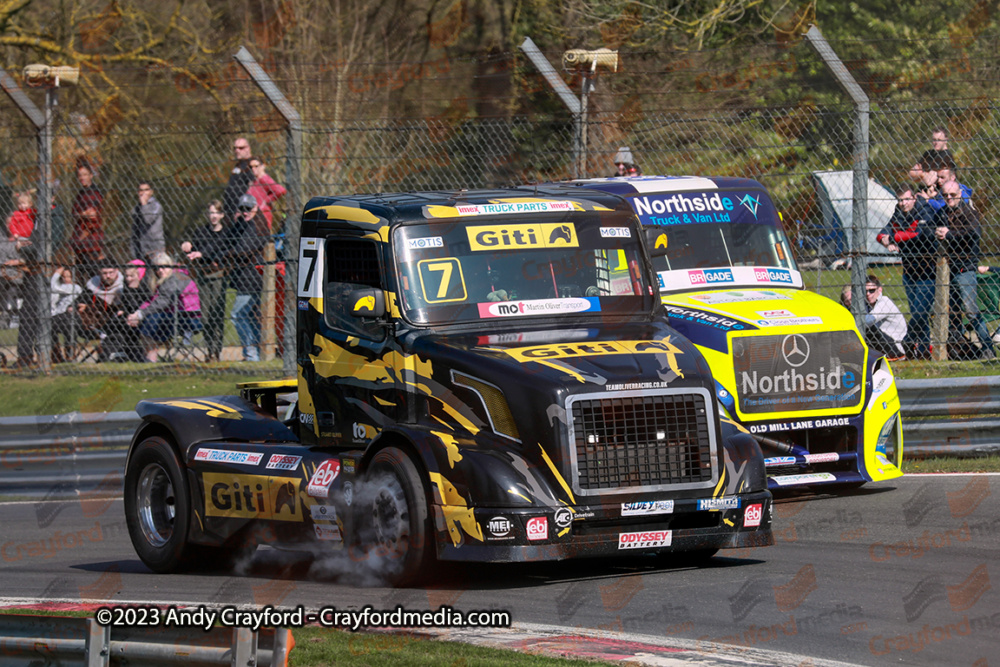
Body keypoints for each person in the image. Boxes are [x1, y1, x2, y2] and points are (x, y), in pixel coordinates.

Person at [877, 185, 937, 359]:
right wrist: (887, 242)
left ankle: (908, 341)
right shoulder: (899, 211)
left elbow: (920, 234)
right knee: (920, 316)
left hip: (928, 272)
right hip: (909, 272)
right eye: (900, 200)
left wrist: (895, 237)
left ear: (914, 198)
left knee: (919, 313)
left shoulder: (924, 210)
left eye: (906, 199)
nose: (903, 204)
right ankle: (924, 352)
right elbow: (883, 233)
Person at [935, 181, 994, 360]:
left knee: (970, 310)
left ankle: (987, 347)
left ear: (960, 193)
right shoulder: (942, 213)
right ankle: (958, 349)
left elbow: (973, 233)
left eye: (953, 194)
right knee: (951, 312)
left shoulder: (969, 213)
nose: (949, 198)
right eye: (946, 195)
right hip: (947, 270)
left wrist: (949, 234)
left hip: (965, 268)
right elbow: (931, 229)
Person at [126, 252, 201, 362]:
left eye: (164, 267)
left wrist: (141, 314)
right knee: (148, 319)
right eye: (157, 268)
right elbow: (153, 300)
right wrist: (137, 313)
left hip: (188, 317)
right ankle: (142, 356)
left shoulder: (178, 278)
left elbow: (164, 301)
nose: (160, 271)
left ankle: (150, 358)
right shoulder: (164, 280)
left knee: (151, 319)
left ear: (170, 265)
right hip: (171, 315)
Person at [181, 199, 229, 362]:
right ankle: (210, 350)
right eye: (211, 212)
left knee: (217, 314)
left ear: (222, 215)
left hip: (218, 276)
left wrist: (203, 254)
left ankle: (217, 350)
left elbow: (219, 247)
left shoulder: (226, 233)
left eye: (216, 212)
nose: (213, 216)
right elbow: (194, 248)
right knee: (206, 316)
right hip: (203, 276)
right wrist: (188, 245)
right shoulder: (201, 231)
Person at [224, 193, 266, 361]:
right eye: (242, 209)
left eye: (248, 208)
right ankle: (254, 352)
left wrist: (227, 254)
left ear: (255, 207)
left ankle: (251, 354)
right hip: (243, 277)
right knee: (249, 316)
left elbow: (244, 249)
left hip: (252, 278)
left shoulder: (259, 225)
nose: (245, 212)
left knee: (238, 315)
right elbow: (227, 240)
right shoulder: (242, 223)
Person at [843, 277, 907, 359]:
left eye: (872, 290)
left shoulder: (884, 301)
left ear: (880, 290)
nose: (868, 294)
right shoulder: (869, 305)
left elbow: (868, 321)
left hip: (896, 347)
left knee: (868, 327)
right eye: (865, 291)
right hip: (884, 343)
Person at [106, 260, 150, 362]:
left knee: (128, 326)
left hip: (142, 317)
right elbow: (126, 305)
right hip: (129, 317)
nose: (128, 279)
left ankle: (134, 354)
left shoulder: (145, 288)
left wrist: (135, 315)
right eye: (126, 276)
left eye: (132, 276)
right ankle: (117, 352)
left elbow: (143, 306)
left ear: (139, 275)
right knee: (114, 323)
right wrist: (124, 311)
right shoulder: (127, 287)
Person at [69, 161, 105, 276]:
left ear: (91, 175)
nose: (82, 178)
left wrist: (82, 214)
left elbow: (93, 217)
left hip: (90, 240)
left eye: (85, 174)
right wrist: (83, 214)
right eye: (80, 175)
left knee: (93, 274)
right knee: (79, 273)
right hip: (80, 240)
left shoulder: (95, 193)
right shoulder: (81, 194)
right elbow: (74, 212)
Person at [49, 266, 84, 363]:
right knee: (49, 327)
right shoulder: (62, 287)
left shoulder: (75, 287)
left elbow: (53, 287)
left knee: (69, 327)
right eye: (63, 277)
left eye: (69, 276)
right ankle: (56, 355)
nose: (66, 279)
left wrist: (56, 274)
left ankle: (70, 355)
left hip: (69, 317)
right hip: (58, 316)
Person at [245, 157, 287, 233]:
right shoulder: (254, 181)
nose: (253, 169)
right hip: (252, 218)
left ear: (263, 166)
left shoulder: (265, 179)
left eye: (256, 166)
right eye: (251, 167)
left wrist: (266, 201)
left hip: (262, 218)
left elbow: (281, 190)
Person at [130, 181, 165, 263]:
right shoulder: (137, 207)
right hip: (140, 248)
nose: (143, 193)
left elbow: (148, 219)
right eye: (141, 190)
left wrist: (144, 204)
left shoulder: (156, 206)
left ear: (151, 192)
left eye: (146, 190)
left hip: (154, 248)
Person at [223, 137, 254, 222]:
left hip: (244, 214)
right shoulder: (238, 166)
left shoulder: (252, 165)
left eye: (241, 148)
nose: (237, 151)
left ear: (248, 148)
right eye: (235, 148)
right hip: (231, 212)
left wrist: (243, 208)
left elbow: (253, 189)